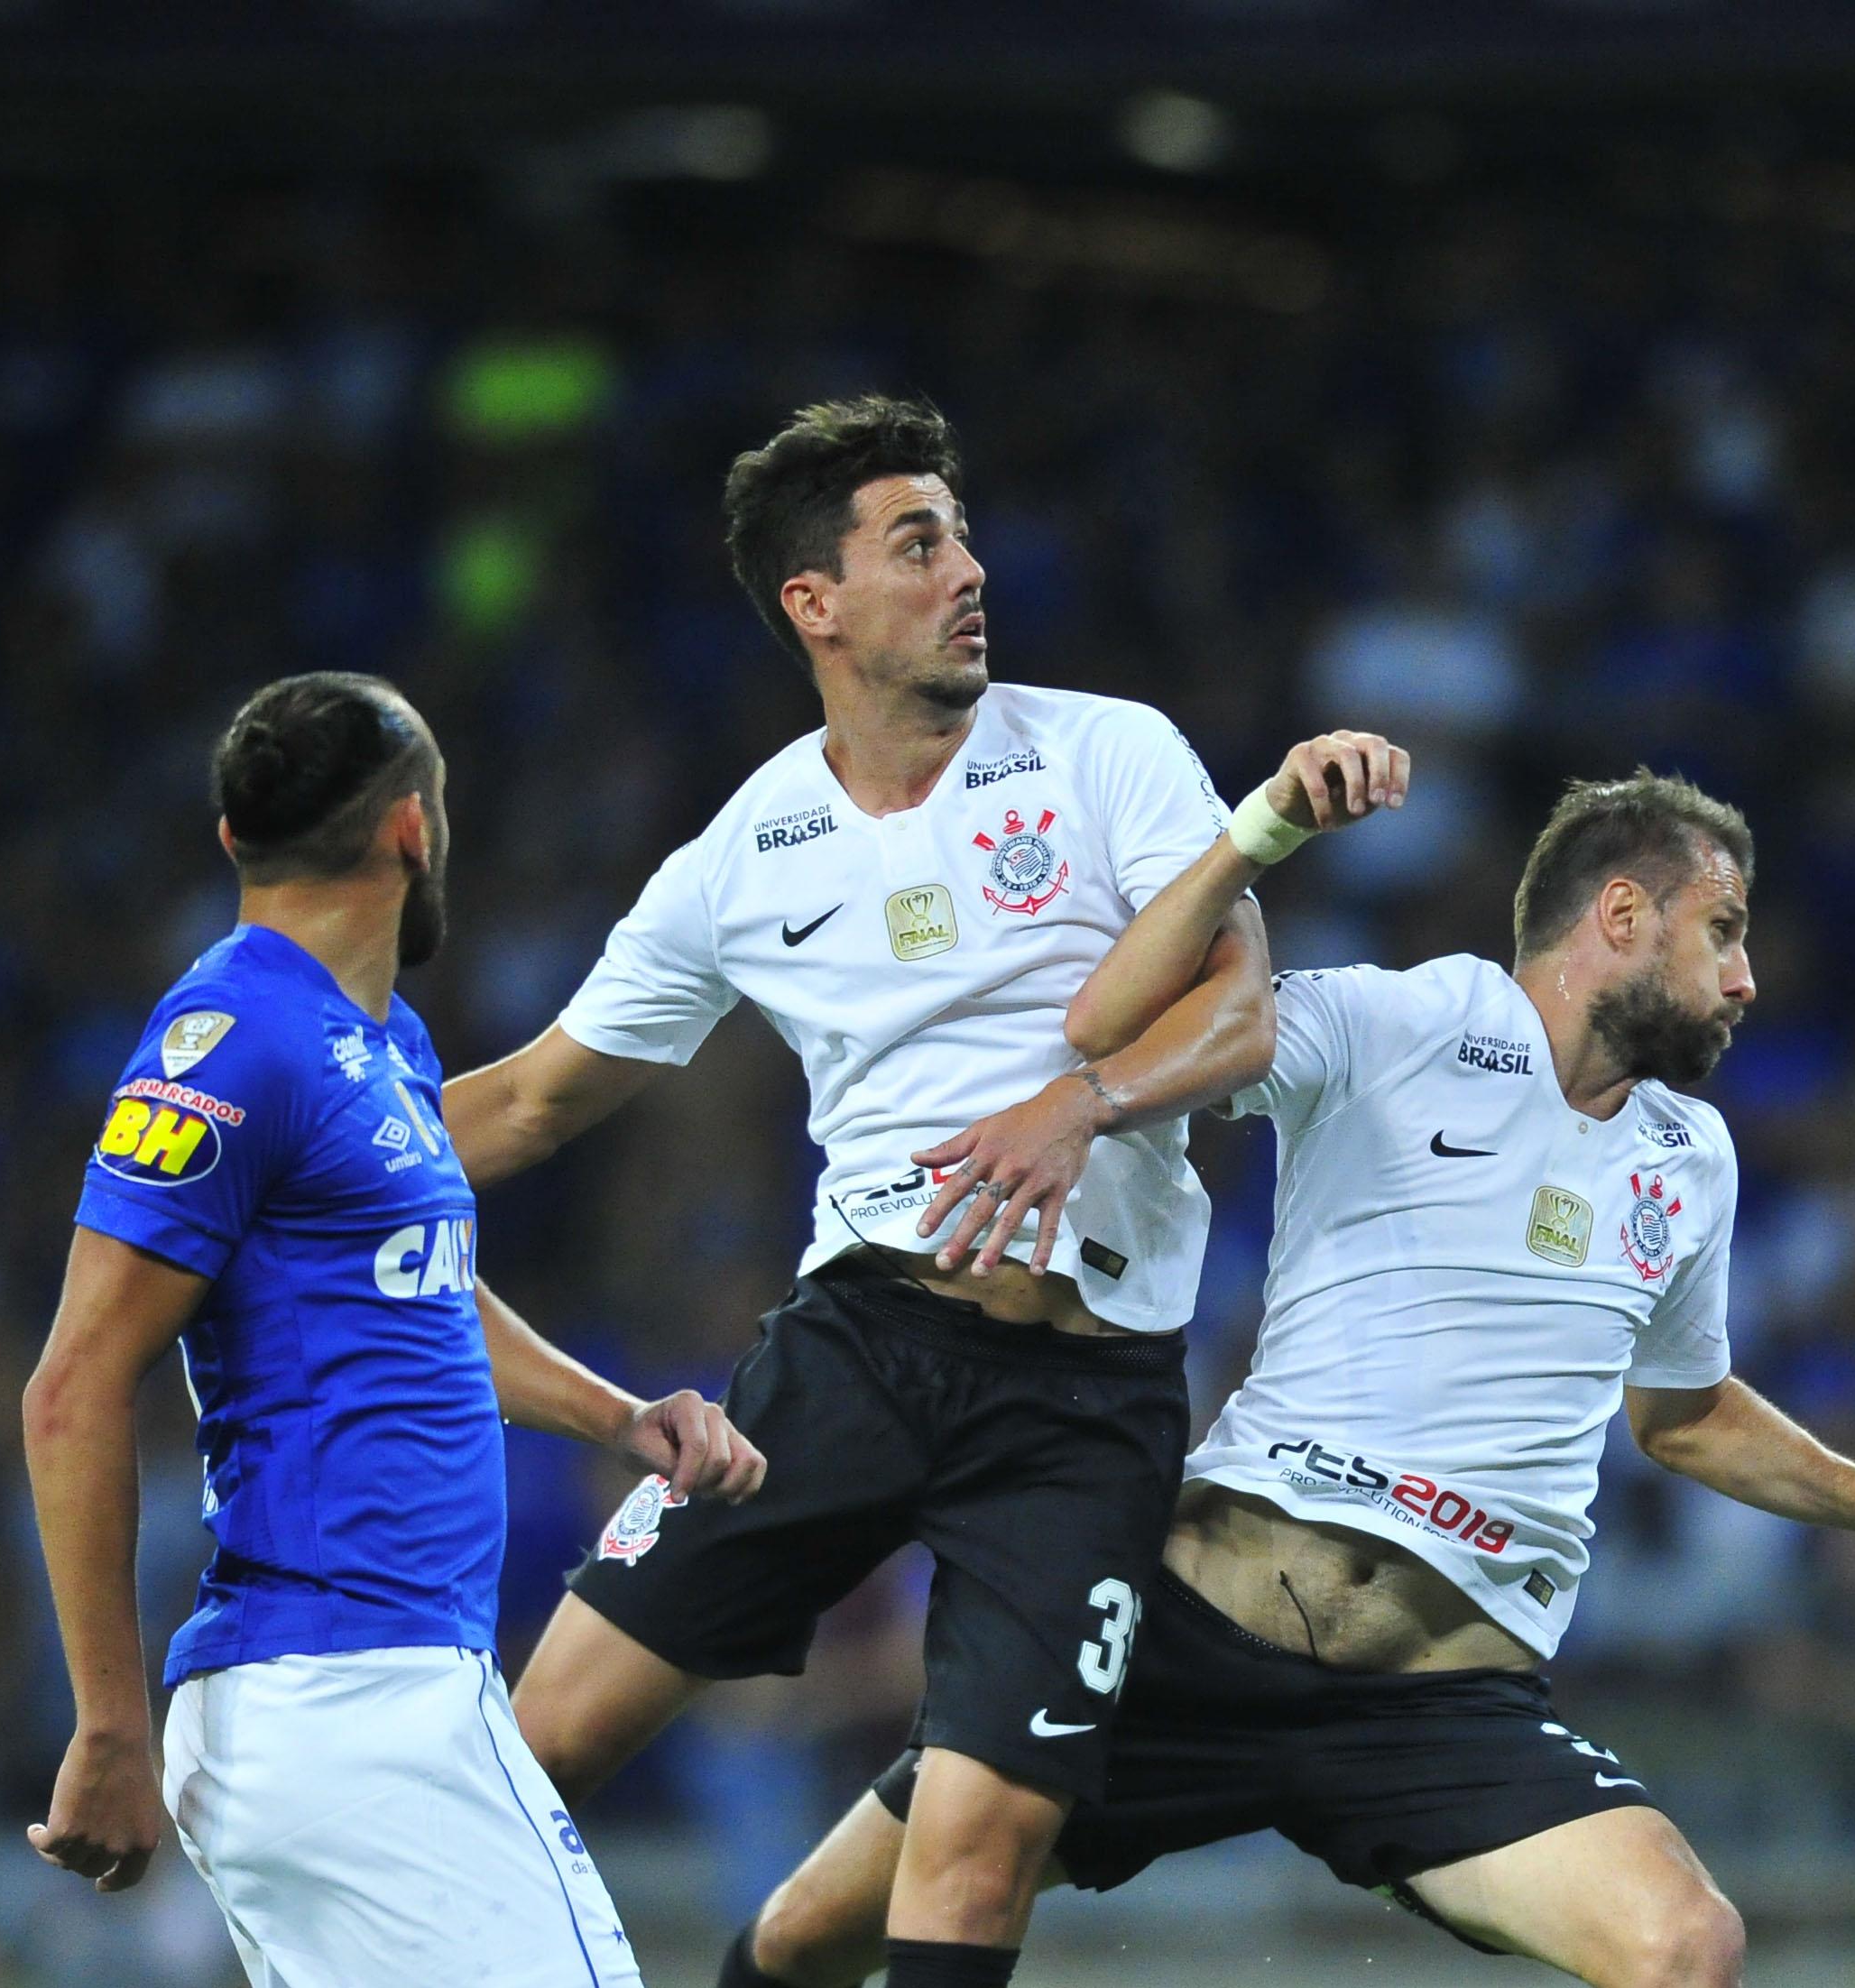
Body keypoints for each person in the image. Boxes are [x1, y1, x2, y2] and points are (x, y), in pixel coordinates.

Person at [709, 771, 1855, 1988]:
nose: (1746, 978)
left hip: (1437, 1711)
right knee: (805, 1940)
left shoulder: (1694, 1160)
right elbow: (1148, 1017)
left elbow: (1684, 1414)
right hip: (1184, 1647)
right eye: (1723, 930)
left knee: (1688, 1945)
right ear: (1622, 913)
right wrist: (1215, 904)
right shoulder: (1411, 1018)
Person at [438, 391, 1406, 1988]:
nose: (966, 566)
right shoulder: (747, 849)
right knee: (534, 1743)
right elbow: (539, 1096)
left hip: (1083, 1402)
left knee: (974, 1856)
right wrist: (306, 1146)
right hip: (852, 1351)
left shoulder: (1106, 753)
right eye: (916, 541)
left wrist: (1079, 1102)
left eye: (957, 531)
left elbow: (1241, 1010)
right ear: (815, 603)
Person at [22, 673, 764, 1985]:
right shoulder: (232, 1041)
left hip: (358, 1697)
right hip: (355, 1692)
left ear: (234, 842)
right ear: (414, 828)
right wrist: (107, 1727)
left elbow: (408, 1288)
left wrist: (616, 1417)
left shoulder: (374, 1040)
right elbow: (74, 1385)